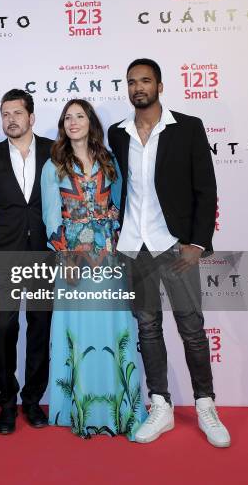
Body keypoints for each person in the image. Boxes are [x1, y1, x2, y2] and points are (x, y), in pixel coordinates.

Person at [108, 58, 230, 447]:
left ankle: (205, 405)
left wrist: (198, 243)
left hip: (176, 245)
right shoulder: (118, 133)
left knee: (192, 329)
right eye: (131, 82)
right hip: (135, 247)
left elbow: (205, 188)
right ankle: (159, 405)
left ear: (160, 86)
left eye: (145, 80)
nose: (137, 87)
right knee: (147, 328)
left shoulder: (188, 128)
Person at [41, 99, 146, 439]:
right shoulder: (53, 165)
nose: (73, 122)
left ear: (91, 122)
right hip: (74, 263)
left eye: (80, 116)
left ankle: (119, 408)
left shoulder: (109, 160)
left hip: (109, 260)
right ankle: (81, 409)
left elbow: (120, 206)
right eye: (68, 118)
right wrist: (65, 255)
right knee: (81, 333)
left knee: (111, 332)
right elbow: (51, 215)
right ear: (62, 125)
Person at [0, 89, 53, 434]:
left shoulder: (54, 151)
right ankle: (6, 401)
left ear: (31, 117)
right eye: (5, 114)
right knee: (6, 329)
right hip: (6, 255)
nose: (11, 119)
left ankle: (33, 401)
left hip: (43, 253)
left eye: (17, 113)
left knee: (39, 329)